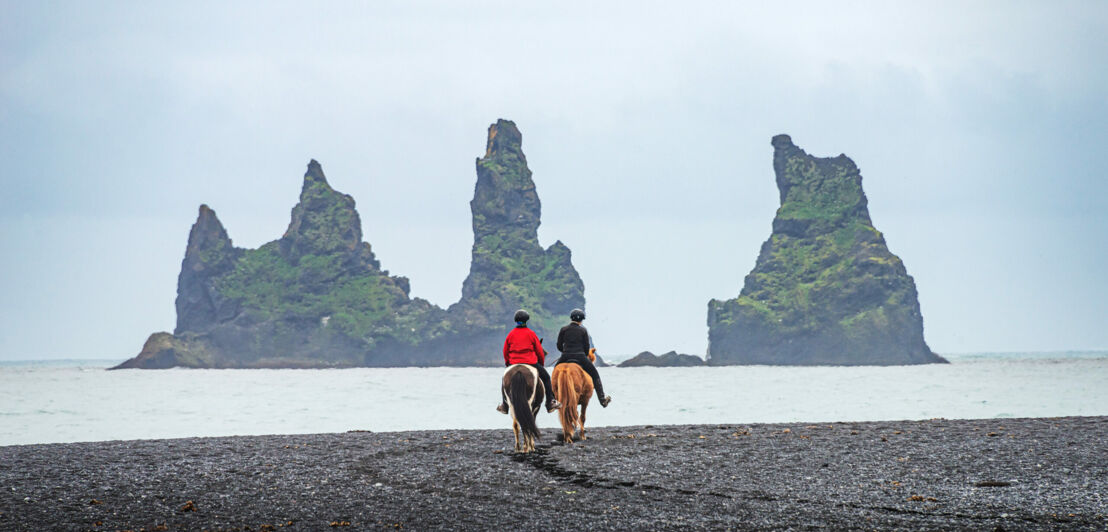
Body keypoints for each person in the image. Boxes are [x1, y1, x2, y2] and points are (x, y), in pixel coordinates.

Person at [498, 309, 561, 414]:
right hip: (530, 362)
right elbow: (539, 352)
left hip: (513, 363)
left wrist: (508, 363)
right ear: (526, 320)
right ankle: (550, 402)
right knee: (546, 377)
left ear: (515, 320)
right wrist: (541, 363)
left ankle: (504, 405)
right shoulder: (531, 334)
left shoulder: (510, 334)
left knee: (504, 380)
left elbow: (505, 351)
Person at [555, 308, 612, 407]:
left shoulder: (563, 329)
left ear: (571, 318)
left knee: (554, 375)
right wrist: (583, 354)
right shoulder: (583, 330)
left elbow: (559, 345)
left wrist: (564, 352)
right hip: (581, 357)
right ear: (581, 320)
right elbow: (586, 347)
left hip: (565, 356)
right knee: (595, 375)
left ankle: (552, 400)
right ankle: (602, 400)